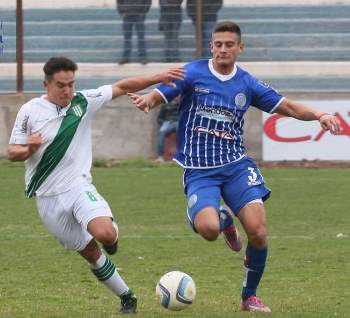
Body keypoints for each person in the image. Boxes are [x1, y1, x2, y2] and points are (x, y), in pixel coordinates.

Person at [128, 21, 341, 312]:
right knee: (208, 230)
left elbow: (288, 107)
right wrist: (149, 99)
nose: (222, 50)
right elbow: (163, 92)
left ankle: (248, 296)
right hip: (199, 169)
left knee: (259, 231)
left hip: (235, 165)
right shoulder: (193, 71)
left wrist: (320, 114)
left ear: (240, 48)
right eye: (218, 44)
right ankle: (224, 221)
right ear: (211, 46)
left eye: (229, 45)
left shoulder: (247, 83)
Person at [7, 56, 183, 315]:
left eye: (71, 84)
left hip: (78, 187)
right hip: (47, 198)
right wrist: (28, 148)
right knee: (90, 252)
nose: (67, 90)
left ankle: (112, 237)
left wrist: (158, 78)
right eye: (61, 85)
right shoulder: (30, 111)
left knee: (105, 234)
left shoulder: (83, 101)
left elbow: (123, 86)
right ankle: (127, 297)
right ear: (46, 84)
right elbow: (12, 152)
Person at [116, 0, 151, 64]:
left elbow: (148, 1)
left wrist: (143, 12)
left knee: (141, 38)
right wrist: (121, 12)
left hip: (139, 15)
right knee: (127, 38)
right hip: (127, 15)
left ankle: (143, 58)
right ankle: (126, 58)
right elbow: (119, 1)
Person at [156, 96, 180, 162]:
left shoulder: (183, 104)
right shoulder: (166, 104)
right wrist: (163, 123)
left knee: (181, 132)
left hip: (179, 121)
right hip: (168, 122)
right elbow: (159, 118)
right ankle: (160, 156)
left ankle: (180, 156)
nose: (177, 97)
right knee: (162, 131)